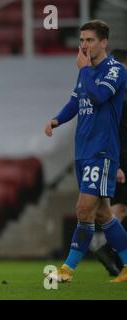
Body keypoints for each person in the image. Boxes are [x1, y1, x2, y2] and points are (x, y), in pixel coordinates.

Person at [45, 20, 127, 283]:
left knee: (84, 209)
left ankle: (67, 270)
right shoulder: (88, 72)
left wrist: (84, 72)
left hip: (101, 151)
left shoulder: (114, 70)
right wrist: (57, 119)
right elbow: (76, 101)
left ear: (104, 42)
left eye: (90, 40)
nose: (84, 45)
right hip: (83, 150)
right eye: (81, 40)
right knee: (104, 213)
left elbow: (99, 97)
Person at [89, 49, 127, 276]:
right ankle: (107, 248)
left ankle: (108, 250)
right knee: (118, 208)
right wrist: (115, 164)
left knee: (119, 208)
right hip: (118, 157)